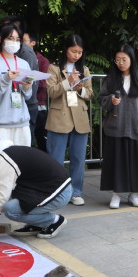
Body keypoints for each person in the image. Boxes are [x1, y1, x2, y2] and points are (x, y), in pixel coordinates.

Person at [0, 139, 71, 239]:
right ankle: (38, 224)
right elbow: (4, 191)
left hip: (58, 193)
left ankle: (54, 221)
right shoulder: (5, 152)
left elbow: (2, 197)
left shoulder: (3, 161)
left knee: (11, 210)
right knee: (11, 202)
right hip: (51, 188)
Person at [99, 44, 138, 208]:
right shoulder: (111, 79)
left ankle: (134, 194)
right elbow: (101, 100)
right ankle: (116, 195)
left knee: (136, 162)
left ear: (131, 59)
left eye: (124, 59)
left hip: (137, 125)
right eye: (117, 60)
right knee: (116, 162)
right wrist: (110, 100)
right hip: (116, 126)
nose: (120, 63)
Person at [45, 34, 93, 207]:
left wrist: (80, 90)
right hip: (60, 118)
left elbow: (90, 94)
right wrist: (68, 81)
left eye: (79, 52)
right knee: (56, 159)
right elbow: (51, 92)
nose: (76, 55)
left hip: (80, 117)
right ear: (66, 49)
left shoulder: (84, 69)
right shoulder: (54, 68)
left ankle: (76, 192)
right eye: (73, 51)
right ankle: (56, 192)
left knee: (78, 159)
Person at [0, 22, 33, 146]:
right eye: (10, 38)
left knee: (23, 157)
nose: (14, 42)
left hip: (22, 123)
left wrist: (27, 87)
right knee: (1, 158)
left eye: (17, 39)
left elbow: (28, 96)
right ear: (0, 39)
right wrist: (6, 78)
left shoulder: (24, 64)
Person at [2, 16, 39, 142]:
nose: (6, 29)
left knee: (23, 146)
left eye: (9, 26)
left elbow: (29, 82)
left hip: (26, 106)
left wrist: (25, 85)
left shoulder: (25, 53)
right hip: (7, 109)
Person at [23, 31, 50, 152]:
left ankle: (44, 161)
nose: (20, 44)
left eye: (23, 41)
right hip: (21, 103)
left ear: (33, 43)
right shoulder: (17, 57)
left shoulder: (42, 60)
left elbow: (44, 82)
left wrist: (28, 81)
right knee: (26, 137)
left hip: (38, 103)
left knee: (40, 136)